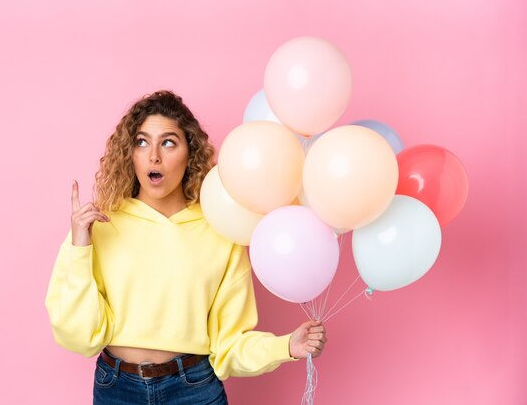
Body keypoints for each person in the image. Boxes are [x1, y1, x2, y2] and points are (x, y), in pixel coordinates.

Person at [45, 90, 327, 404]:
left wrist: (287, 346)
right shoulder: (98, 224)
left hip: (193, 391)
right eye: (142, 142)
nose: (154, 156)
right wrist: (79, 247)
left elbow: (229, 346)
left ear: (189, 153)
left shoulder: (219, 228)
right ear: (129, 153)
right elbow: (79, 335)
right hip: (118, 389)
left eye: (168, 142)